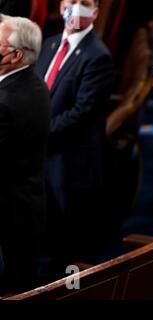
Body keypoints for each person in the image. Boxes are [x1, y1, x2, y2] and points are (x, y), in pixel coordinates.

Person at [35, 0, 114, 271]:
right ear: (60, 6)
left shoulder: (98, 55)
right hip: (42, 158)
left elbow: (82, 113)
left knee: (67, 246)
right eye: (71, 1)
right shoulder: (50, 44)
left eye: (85, 3)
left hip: (70, 166)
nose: (76, 7)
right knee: (42, 239)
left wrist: (36, 131)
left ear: (95, 12)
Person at [0, 15, 50, 294]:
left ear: (15, 55)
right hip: (25, 206)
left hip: (9, 214)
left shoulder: (8, 100)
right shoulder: (31, 83)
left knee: (15, 287)